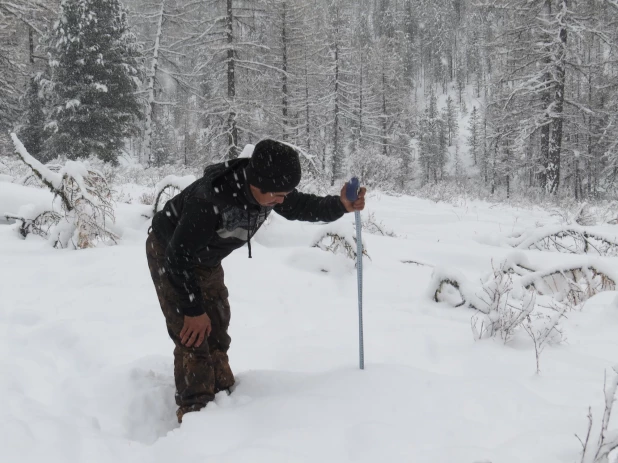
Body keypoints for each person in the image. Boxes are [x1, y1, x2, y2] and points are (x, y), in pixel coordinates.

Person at [146, 139, 366, 423]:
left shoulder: (271, 189)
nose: (282, 200)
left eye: (285, 193)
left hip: (206, 260)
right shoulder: (210, 200)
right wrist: (192, 310)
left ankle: (222, 391)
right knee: (194, 334)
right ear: (256, 184)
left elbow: (301, 206)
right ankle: (196, 415)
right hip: (170, 254)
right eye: (277, 195)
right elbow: (178, 257)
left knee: (218, 326)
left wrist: (341, 205)